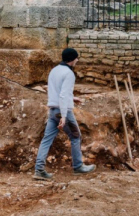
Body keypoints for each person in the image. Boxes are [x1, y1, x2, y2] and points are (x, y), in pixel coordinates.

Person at [34, 48, 96, 181]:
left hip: (52, 110)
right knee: (75, 137)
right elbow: (62, 95)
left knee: (46, 140)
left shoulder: (54, 70)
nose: (77, 60)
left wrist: (72, 98)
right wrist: (63, 116)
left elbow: (57, 91)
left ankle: (39, 169)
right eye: (76, 58)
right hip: (63, 111)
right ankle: (78, 166)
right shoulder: (69, 74)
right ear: (72, 59)